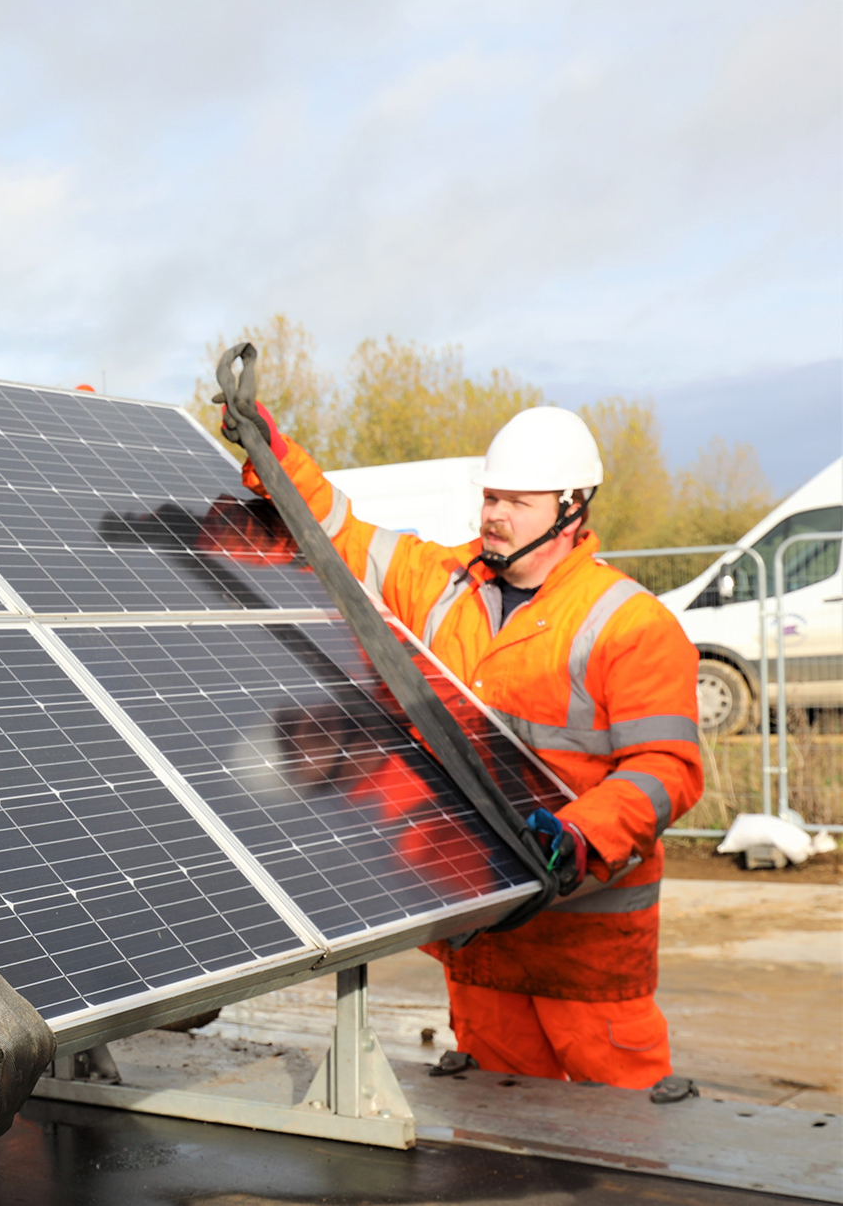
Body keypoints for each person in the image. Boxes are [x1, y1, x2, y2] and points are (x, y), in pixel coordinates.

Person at [221, 398, 702, 1090]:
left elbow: (667, 767)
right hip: (482, 928)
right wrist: (275, 455)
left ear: (571, 508)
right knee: (497, 1128)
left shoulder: (629, 624)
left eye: (516, 501)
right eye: (489, 497)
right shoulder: (443, 585)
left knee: (622, 1135)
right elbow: (341, 535)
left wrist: (580, 835)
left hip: (584, 943)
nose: (493, 514)